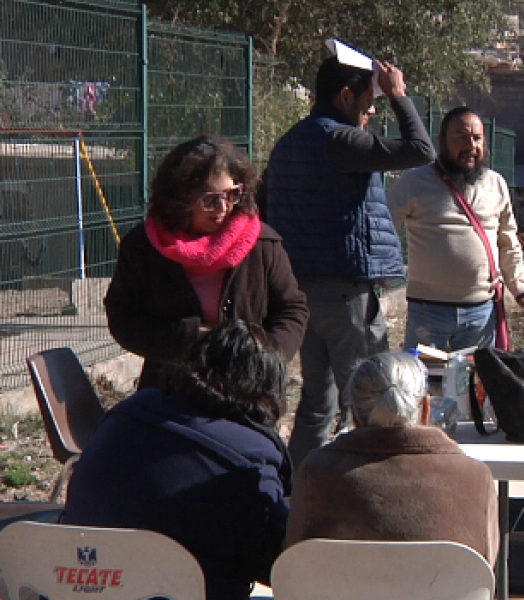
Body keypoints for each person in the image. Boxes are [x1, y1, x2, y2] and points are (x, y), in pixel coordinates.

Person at [262, 55, 436, 468]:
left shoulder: (289, 142)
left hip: (301, 296)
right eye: (368, 99)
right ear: (344, 95)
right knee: (377, 403)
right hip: (346, 297)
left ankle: (293, 491)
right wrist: (398, 94)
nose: (372, 110)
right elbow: (421, 150)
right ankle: (375, 491)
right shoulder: (341, 141)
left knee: (317, 405)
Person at [62, 320, 293, 600]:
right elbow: (278, 566)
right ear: (269, 392)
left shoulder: (126, 415)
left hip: (82, 588)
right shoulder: (248, 462)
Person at [105, 133, 308, 391]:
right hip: (169, 392)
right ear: (180, 200)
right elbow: (123, 317)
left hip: (247, 393)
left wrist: (264, 359)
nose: (223, 208)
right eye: (210, 200)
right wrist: (190, 338)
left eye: (233, 194)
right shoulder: (144, 247)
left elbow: (293, 309)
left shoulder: (262, 244)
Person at [285, 351, 499, 565]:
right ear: (426, 409)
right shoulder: (475, 479)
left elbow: (293, 566)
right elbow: (487, 571)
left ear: (355, 416)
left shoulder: (315, 475)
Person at [387, 106, 524, 351]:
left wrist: (521, 290)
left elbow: (508, 244)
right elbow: (382, 229)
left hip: (481, 315)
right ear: (442, 141)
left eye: (477, 138)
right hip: (428, 313)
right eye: (461, 138)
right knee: (424, 386)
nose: (471, 146)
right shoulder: (413, 183)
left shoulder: (495, 184)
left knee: (475, 386)